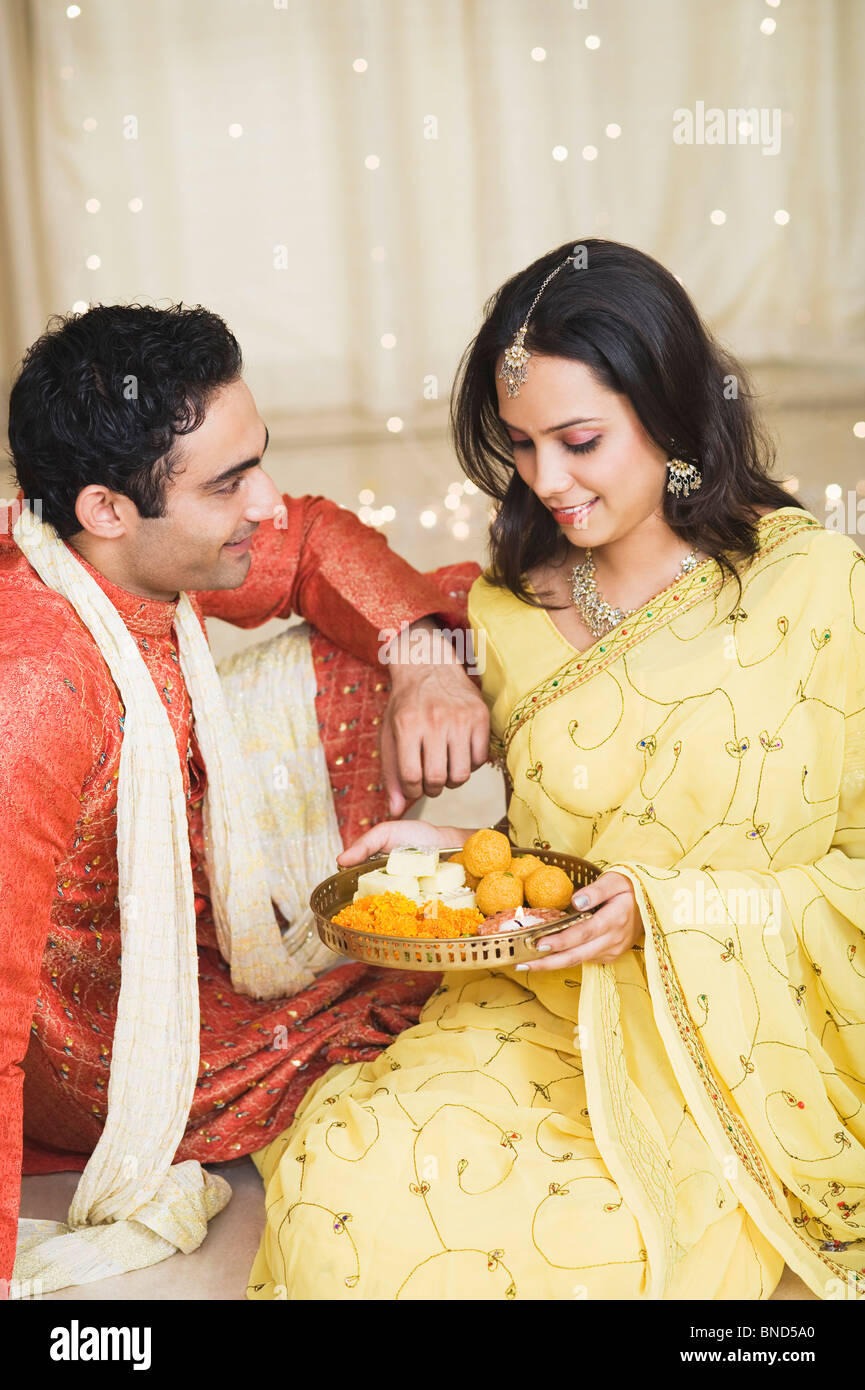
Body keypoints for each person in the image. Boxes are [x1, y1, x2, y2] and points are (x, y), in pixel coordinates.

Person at [248, 238, 865, 1301]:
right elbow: (561, 865)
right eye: (521, 445)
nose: (546, 480)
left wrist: (664, 913)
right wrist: (450, 856)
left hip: (735, 1038)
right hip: (539, 1009)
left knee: (577, 1258)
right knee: (349, 1204)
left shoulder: (811, 586)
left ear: (668, 411)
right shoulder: (508, 610)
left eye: (577, 440)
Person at [0, 302, 490, 1297]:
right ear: (105, 507)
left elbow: (307, 540)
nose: (266, 499)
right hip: (106, 1044)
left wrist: (420, 657)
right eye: (230, 482)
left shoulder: (118, 554)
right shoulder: (35, 690)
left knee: (431, 624)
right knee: (429, 982)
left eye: (256, 458)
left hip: (183, 908)